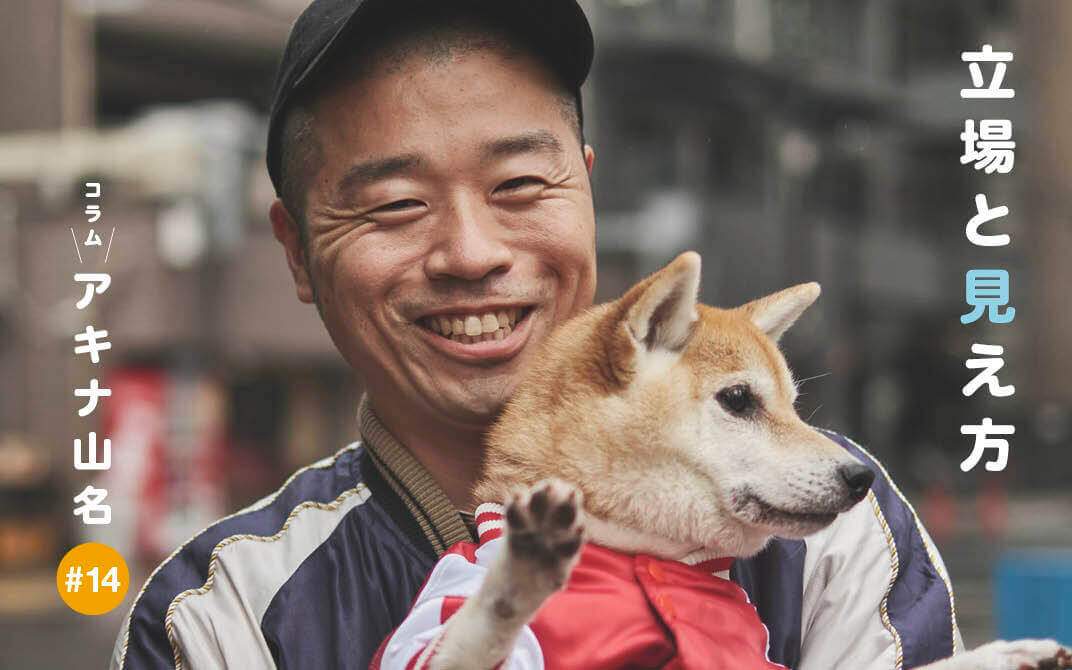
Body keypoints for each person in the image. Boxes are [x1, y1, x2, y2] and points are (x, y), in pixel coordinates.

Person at [111, 1, 961, 668]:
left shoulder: (832, 528)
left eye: (519, 183)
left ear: (586, 189)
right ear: (297, 250)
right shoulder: (215, 615)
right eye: (396, 204)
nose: (471, 253)